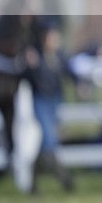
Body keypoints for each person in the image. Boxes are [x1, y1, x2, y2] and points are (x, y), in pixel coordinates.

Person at [25, 23, 74, 193]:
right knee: (49, 138)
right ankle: (65, 178)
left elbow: (69, 72)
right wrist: (32, 65)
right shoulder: (35, 56)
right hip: (41, 100)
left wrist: (81, 85)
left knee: (44, 143)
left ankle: (32, 183)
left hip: (55, 100)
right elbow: (28, 78)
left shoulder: (59, 55)